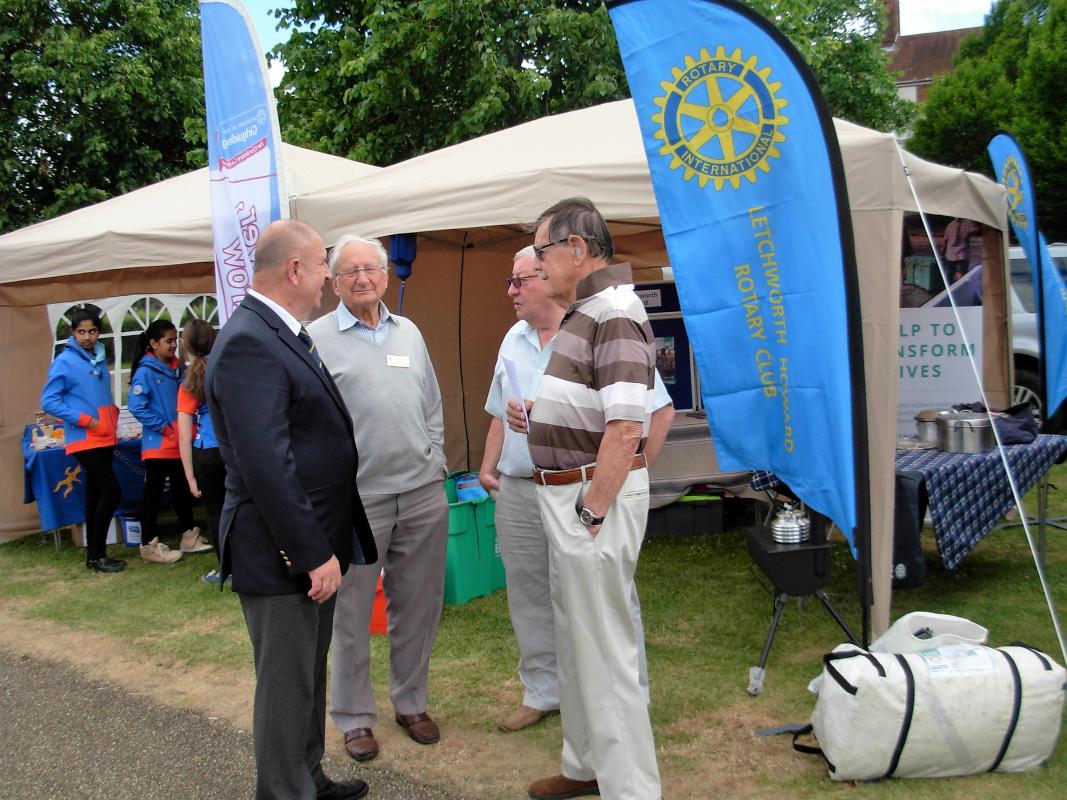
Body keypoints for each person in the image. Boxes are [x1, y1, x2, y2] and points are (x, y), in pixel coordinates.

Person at [206, 219, 377, 800]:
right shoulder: (251, 340)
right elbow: (266, 465)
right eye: (325, 265)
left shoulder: (282, 332)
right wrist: (311, 554)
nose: (331, 277)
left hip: (308, 547)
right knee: (284, 688)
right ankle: (285, 791)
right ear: (295, 269)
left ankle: (308, 779)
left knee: (305, 678)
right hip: (281, 553)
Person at [478, 246, 675, 733]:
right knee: (529, 596)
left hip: (581, 492)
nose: (511, 291)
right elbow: (498, 411)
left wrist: (629, 475)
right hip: (523, 488)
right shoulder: (512, 338)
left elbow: (657, 411)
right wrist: (489, 467)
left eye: (520, 280)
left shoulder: (596, 325)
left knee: (606, 598)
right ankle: (544, 692)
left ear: (545, 278)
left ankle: (630, 697)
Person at [510, 198, 661, 800]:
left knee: (606, 651)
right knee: (578, 645)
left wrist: (591, 512)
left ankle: (631, 790)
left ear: (577, 248)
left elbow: (627, 427)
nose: (537, 266)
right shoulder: (590, 311)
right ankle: (586, 769)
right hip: (571, 498)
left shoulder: (614, 312)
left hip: (591, 501)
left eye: (543, 253)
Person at [308, 233, 448, 763]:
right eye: (350, 271)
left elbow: (431, 402)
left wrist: (434, 459)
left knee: (418, 606)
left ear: (386, 276)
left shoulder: (408, 332)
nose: (363, 278)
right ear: (334, 282)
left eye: (371, 268)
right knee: (350, 612)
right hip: (356, 501)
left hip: (420, 493)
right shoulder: (315, 338)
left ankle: (411, 702)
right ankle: (353, 717)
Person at [40, 307, 126, 573]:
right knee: (111, 492)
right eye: (81, 332)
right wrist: (85, 420)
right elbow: (49, 401)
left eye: (92, 331)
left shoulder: (98, 357)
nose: (87, 337)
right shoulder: (64, 361)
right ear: (72, 333)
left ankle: (94, 556)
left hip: (104, 436)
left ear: (99, 333)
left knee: (95, 494)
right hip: (85, 437)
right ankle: (97, 554)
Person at [128, 319, 210, 563]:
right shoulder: (145, 371)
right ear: (153, 344)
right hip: (158, 446)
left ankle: (188, 535)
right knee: (152, 493)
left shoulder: (178, 368)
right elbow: (137, 407)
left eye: (176, 340)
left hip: (178, 444)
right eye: (168, 341)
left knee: (182, 490)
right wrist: (165, 429)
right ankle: (148, 544)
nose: (174, 345)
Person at [177, 319, 226, 582]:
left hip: (206, 451)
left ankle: (225, 570)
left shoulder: (189, 382)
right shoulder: (227, 370)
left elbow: (184, 435)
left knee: (216, 512)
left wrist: (189, 476)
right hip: (231, 449)